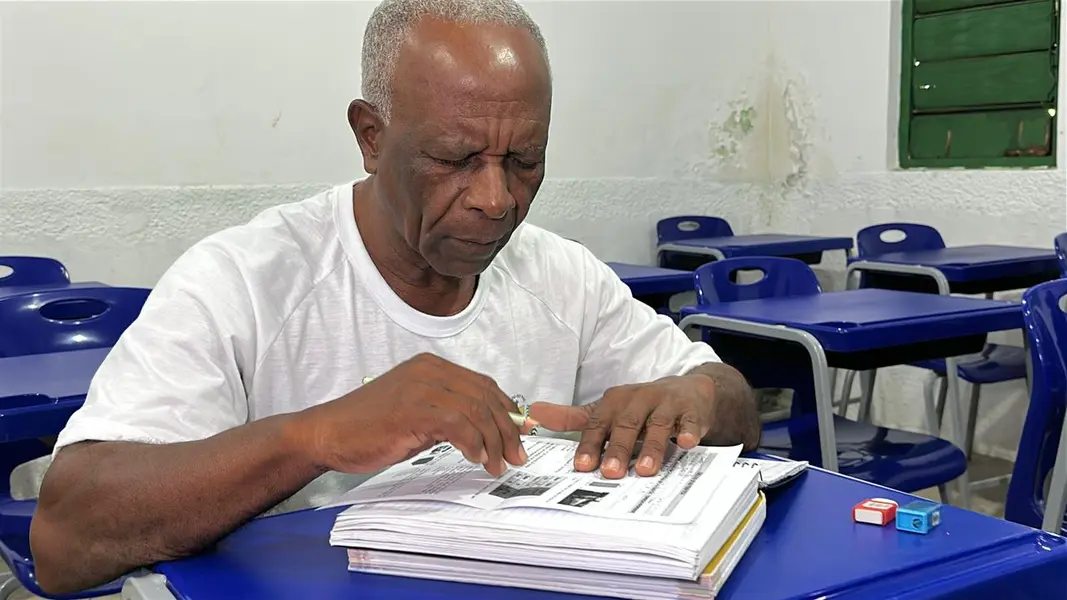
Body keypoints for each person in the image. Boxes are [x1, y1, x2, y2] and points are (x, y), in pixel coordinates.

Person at [30, 0, 760, 594]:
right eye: (454, 159)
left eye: (525, 160)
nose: (495, 199)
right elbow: (65, 541)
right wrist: (312, 436)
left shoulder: (560, 276)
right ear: (371, 136)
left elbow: (733, 400)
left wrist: (690, 400)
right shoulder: (244, 282)